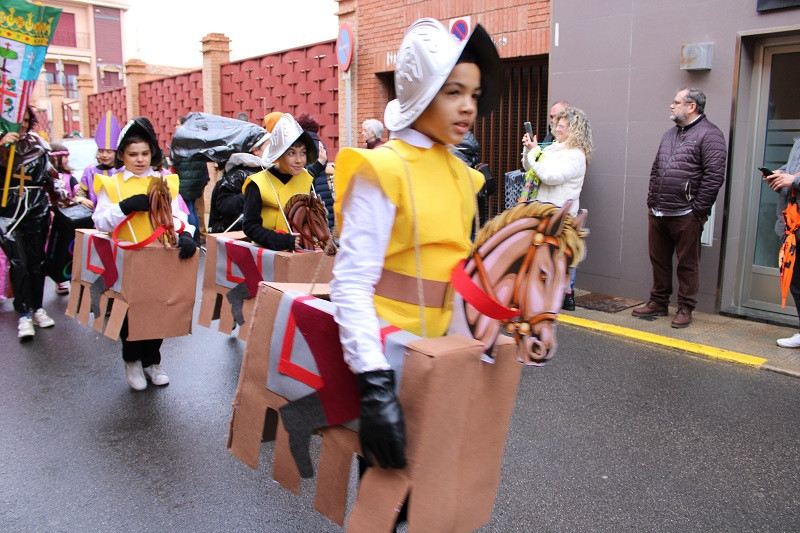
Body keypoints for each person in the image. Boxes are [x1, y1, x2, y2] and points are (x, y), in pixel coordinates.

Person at [330, 18, 501, 472]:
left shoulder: (464, 175)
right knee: (386, 501)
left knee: (432, 496)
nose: (468, 107)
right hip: (390, 358)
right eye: (453, 92)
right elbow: (351, 283)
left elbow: (460, 273)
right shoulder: (382, 170)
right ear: (422, 91)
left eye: (474, 95)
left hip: (444, 359)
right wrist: (374, 383)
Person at [92, 116, 196, 391]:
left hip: (161, 256)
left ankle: (153, 362)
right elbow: (100, 221)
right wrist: (124, 206)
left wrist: (185, 234)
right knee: (131, 312)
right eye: (132, 154)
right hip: (127, 259)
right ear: (122, 156)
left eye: (145, 153)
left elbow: (177, 215)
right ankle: (132, 361)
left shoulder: (164, 182)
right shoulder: (111, 184)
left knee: (161, 309)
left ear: (153, 152)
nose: (140, 160)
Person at [631, 87, 727, 328]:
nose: (671, 106)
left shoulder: (710, 134)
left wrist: (698, 211)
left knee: (687, 263)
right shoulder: (669, 134)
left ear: (691, 106)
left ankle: (685, 307)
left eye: (676, 102)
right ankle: (659, 302)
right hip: (659, 210)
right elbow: (656, 169)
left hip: (686, 214)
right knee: (659, 259)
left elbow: (714, 176)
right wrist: (652, 202)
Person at [0, 107, 66, 340]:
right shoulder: (1, 142)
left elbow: (51, 175)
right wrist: (2, 147)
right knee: (19, 262)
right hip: (7, 210)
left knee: (37, 261)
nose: (23, 125)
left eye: (27, 120)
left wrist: (64, 195)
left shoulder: (38, 144)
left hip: (36, 206)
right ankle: (24, 313)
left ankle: (37, 307)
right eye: (19, 120)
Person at [521, 106, 593, 311]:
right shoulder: (553, 148)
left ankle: (555, 299)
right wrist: (529, 150)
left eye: (561, 126)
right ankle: (540, 298)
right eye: (556, 125)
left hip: (558, 217)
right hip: (541, 212)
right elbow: (531, 168)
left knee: (554, 260)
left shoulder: (575, 155)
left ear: (575, 129)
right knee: (542, 258)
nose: (556, 129)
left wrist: (535, 152)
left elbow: (551, 177)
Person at [241, 113, 316, 251]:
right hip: (265, 254)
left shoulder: (308, 179)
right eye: (292, 153)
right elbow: (250, 226)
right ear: (279, 155)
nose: (299, 160)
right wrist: (282, 240)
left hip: (301, 253)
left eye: (303, 153)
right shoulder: (257, 183)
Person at [764, 137, 800, 347]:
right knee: (796, 282)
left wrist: (793, 180)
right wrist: (777, 175)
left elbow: (794, 177)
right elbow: (792, 169)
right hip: (792, 224)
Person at [207, 125, 268, 233]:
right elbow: (223, 204)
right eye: (268, 146)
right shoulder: (237, 174)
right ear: (255, 150)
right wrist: (253, 196)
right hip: (235, 235)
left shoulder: (268, 170)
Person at [48, 141, 79, 295]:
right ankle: (57, 277)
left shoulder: (69, 178)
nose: (67, 160)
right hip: (52, 218)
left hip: (66, 219)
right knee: (53, 248)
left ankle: (66, 276)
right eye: (64, 156)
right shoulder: (47, 176)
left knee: (67, 249)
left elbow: (76, 192)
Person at [74, 110, 122, 211]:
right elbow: (80, 193)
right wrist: (81, 199)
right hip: (94, 219)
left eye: (109, 152)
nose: (104, 155)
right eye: (101, 151)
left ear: (116, 152)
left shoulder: (123, 171)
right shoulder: (90, 171)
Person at [173, 116, 210, 244]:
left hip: (185, 182)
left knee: (188, 209)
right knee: (194, 209)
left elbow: (175, 161)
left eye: (178, 124)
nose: (176, 127)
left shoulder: (180, 143)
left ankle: (193, 236)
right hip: (196, 182)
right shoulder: (198, 141)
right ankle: (198, 237)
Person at [296, 113, 334, 231]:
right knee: (326, 224)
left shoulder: (302, 144)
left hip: (312, 187)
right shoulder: (320, 143)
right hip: (324, 189)